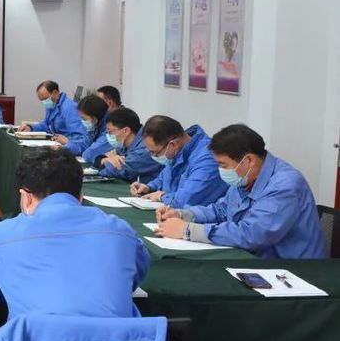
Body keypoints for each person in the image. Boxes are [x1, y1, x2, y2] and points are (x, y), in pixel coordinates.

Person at [0, 148, 149, 318]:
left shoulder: (3, 235)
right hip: (119, 336)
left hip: (37, 336)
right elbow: (133, 279)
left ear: (26, 197)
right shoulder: (123, 232)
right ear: (80, 197)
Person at [156, 124, 326, 259]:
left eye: (223, 165)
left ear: (248, 160)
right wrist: (184, 215)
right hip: (254, 259)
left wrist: (188, 230)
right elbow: (222, 210)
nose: (220, 170)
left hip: (293, 273)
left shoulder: (285, 185)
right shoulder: (246, 176)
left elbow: (253, 234)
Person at [131, 115, 227, 209]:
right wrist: (149, 187)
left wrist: (162, 196)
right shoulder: (176, 153)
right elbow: (164, 178)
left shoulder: (207, 159)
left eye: (155, 153)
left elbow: (187, 200)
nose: (154, 157)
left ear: (173, 145)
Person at [97, 107, 164, 184]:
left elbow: (112, 171)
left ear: (126, 131)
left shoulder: (144, 149)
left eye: (110, 131)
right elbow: (102, 157)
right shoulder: (125, 143)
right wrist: (104, 160)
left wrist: (105, 161)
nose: (108, 135)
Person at [18, 80, 85, 144]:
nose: (44, 102)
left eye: (46, 99)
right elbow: (46, 126)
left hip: (69, 147)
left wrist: (66, 142)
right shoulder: (52, 105)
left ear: (56, 93)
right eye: (42, 100)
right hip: (57, 143)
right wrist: (30, 128)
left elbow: (79, 137)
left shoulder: (69, 108)